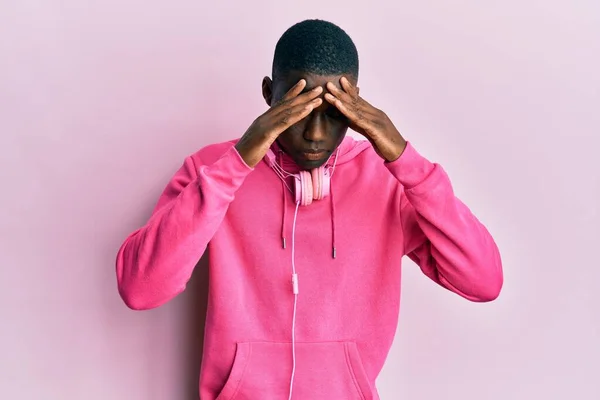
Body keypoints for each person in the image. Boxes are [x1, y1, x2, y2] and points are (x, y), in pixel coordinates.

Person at [115, 19, 503, 400]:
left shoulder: (388, 183)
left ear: (355, 103)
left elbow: (483, 282)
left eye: (334, 112)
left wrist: (406, 161)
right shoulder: (212, 171)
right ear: (269, 94)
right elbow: (140, 289)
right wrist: (238, 164)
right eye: (298, 108)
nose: (316, 133)